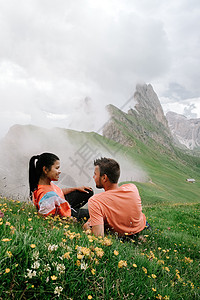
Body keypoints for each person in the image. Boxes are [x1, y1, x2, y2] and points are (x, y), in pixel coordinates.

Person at [83, 157, 150, 239]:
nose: (93, 177)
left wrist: (86, 227)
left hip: (122, 237)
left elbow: (98, 236)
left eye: (95, 174)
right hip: (141, 227)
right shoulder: (132, 188)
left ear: (104, 178)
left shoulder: (95, 201)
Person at [29, 152, 93, 219]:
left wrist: (75, 189)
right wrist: (70, 219)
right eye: (57, 168)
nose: (59, 171)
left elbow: (58, 192)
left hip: (62, 203)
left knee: (88, 191)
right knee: (92, 213)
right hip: (66, 213)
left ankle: (74, 208)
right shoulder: (47, 196)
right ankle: (75, 211)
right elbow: (46, 216)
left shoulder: (46, 184)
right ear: (45, 170)